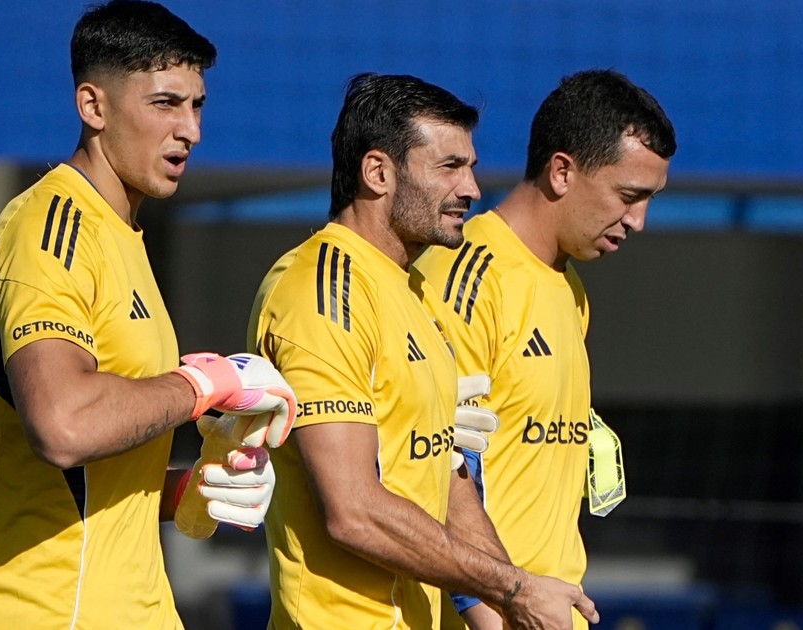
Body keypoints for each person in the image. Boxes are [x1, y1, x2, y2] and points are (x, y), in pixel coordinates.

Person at [0, 2, 294, 627]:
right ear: (93, 107)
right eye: (165, 103)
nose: (191, 130)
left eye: (197, 105)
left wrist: (192, 486)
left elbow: (95, 486)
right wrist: (205, 384)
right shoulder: (49, 229)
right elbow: (63, 425)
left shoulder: (120, 235)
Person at [248, 72, 599, 630]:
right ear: (378, 172)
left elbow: (450, 481)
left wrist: (514, 605)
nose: (472, 188)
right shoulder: (323, 289)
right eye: (449, 167)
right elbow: (353, 511)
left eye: (471, 167)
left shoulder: (415, 292)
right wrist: (512, 587)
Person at [414, 68, 677, 630]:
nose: (639, 221)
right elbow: (437, 471)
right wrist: (498, 614)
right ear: (562, 171)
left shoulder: (570, 290)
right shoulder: (465, 276)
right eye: (629, 196)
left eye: (649, 200)